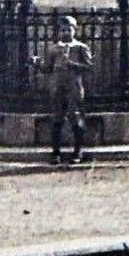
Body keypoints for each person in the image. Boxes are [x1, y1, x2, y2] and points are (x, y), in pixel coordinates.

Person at [31, 15, 94, 165]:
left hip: (74, 88)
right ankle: (56, 152)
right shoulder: (54, 49)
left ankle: (78, 151)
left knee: (75, 118)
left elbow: (89, 67)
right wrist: (37, 63)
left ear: (74, 30)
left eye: (69, 30)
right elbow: (48, 68)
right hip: (57, 88)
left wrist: (72, 64)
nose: (66, 33)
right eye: (63, 30)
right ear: (59, 32)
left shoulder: (80, 48)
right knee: (57, 119)